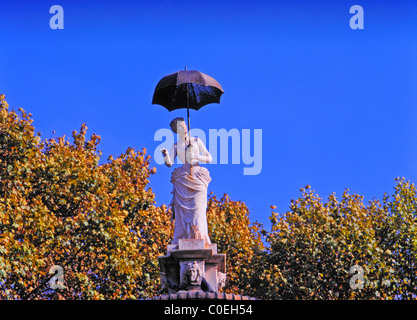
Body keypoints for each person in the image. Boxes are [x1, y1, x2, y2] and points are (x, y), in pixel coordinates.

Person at [161, 117, 212, 245]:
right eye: (179, 127)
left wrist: (194, 156)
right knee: (182, 214)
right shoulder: (176, 145)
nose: (183, 128)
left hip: (197, 178)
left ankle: (199, 237)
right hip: (183, 180)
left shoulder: (196, 140)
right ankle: (183, 238)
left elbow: (209, 158)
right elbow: (170, 163)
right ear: (175, 130)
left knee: (198, 211)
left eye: (183, 125)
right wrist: (166, 154)